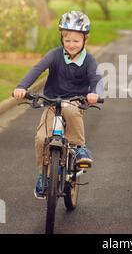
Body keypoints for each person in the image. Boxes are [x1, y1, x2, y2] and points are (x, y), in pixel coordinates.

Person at [13, 11, 103, 199]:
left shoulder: (88, 60)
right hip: (52, 103)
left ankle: (79, 148)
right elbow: (37, 69)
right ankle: (43, 176)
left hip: (75, 102)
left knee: (70, 108)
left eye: (76, 41)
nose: (71, 44)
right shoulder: (54, 55)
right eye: (67, 40)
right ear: (62, 37)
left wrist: (95, 93)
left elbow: (96, 78)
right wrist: (22, 87)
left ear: (85, 40)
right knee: (40, 139)